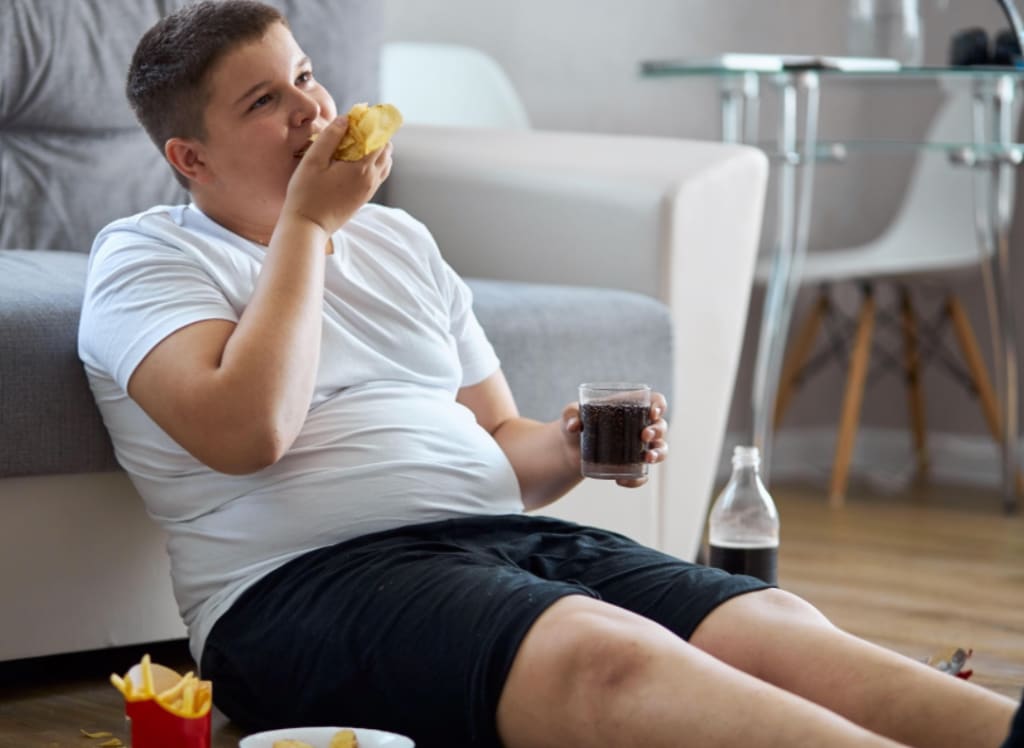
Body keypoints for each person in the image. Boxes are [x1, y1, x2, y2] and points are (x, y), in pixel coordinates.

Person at [77, 2, 1022, 747]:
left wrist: (567, 450)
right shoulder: (145, 258)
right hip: (302, 589)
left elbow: (499, 439)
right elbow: (248, 433)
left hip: (500, 541)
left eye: (306, 77)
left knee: (774, 625)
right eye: (264, 102)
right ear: (190, 159)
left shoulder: (398, 240)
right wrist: (308, 226)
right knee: (606, 659)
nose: (312, 111)